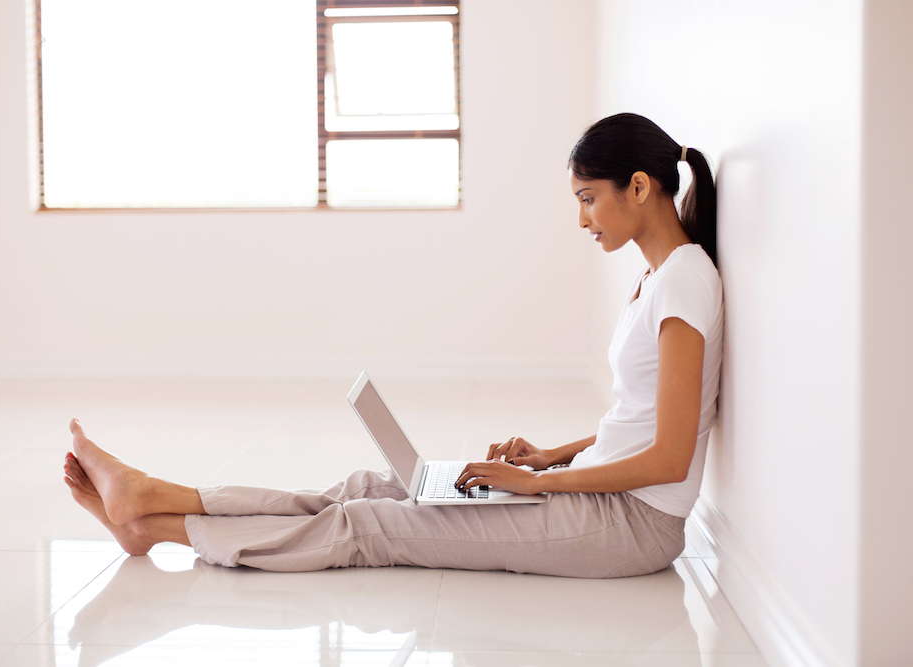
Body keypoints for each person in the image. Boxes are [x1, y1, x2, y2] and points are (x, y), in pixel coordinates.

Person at [63, 113, 722, 579]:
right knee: (372, 485)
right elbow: (636, 421)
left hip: (630, 525)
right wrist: (552, 457)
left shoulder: (685, 283)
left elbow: (667, 457)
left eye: (588, 198)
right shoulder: (660, 279)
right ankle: (152, 492)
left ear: (638, 186)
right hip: (598, 495)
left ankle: (152, 525)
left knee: (369, 524)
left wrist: (540, 484)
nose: (581, 218)